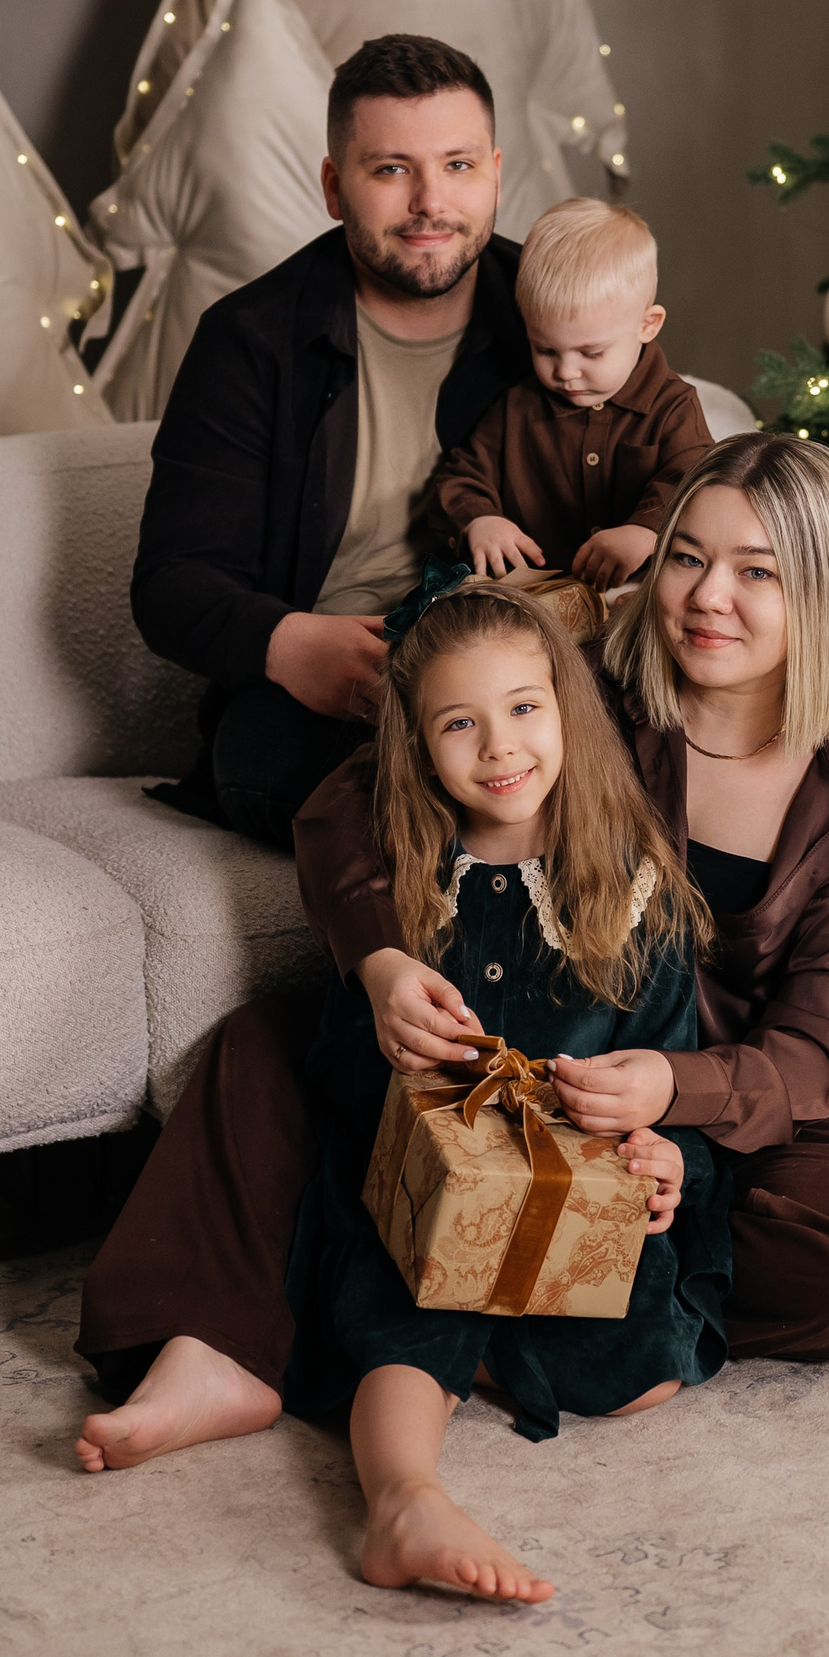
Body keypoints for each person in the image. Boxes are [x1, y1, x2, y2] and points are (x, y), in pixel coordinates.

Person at [74, 432, 829, 1473]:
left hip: (750, 1097)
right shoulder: (577, 688)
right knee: (265, 1047)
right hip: (531, 1037)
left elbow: (823, 1046)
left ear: (825, 595)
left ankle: (437, 1297)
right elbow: (353, 799)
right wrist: (382, 963)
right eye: (686, 556)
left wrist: (674, 1094)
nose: (709, 596)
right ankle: (220, 1348)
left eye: (757, 572)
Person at [277, 583, 730, 1600]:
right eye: (459, 723)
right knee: (410, 1303)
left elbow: (668, 1072)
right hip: (429, 1196)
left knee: (644, 1371)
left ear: (568, 711)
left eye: (524, 708)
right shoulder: (405, 881)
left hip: (576, 1194)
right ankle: (403, 1501)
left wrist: (668, 1158)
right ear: (416, 743)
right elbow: (350, 1068)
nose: (499, 747)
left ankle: (480, 1353)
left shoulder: (638, 886)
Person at [129, 30, 529, 849]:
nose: (429, 202)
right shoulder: (248, 341)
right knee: (267, 750)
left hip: (529, 678)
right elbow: (172, 583)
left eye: (457, 165)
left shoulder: (551, 311)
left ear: (495, 172)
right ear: (334, 186)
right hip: (336, 701)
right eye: (391, 170)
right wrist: (286, 645)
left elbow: (663, 459)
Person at [433, 196, 713, 592]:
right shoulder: (517, 406)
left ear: (647, 325)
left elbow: (696, 480)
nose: (565, 372)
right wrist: (480, 520)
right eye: (545, 350)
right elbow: (462, 475)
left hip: (638, 595)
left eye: (591, 353)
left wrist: (644, 531)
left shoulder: (673, 405)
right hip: (536, 598)